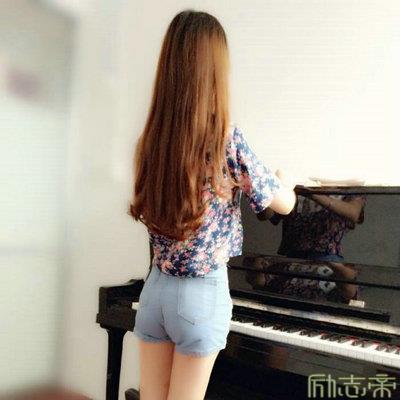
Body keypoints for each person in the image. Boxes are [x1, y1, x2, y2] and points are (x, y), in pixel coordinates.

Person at [128, 10, 296, 400]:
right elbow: (284, 205)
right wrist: (284, 181)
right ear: (216, 72)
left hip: (155, 292)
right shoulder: (225, 139)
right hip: (199, 296)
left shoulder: (151, 141)